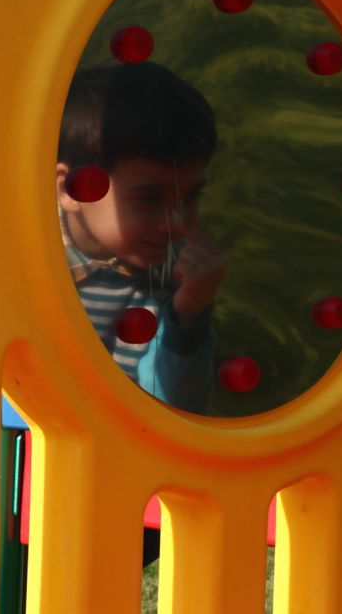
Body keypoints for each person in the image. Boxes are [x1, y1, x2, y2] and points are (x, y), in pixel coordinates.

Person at [56, 60, 226, 415]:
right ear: (73, 189)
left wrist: (189, 316)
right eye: (149, 198)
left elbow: (174, 408)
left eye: (191, 197)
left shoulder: (174, 274)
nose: (176, 224)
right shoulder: (31, 254)